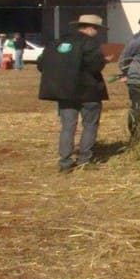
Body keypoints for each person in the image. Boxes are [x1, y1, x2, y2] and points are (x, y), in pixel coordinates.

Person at [37, 14, 109, 172]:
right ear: (91, 28)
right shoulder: (90, 43)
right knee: (89, 125)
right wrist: (104, 60)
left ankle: (65, 161)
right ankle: (84, 159)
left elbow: (41, 64)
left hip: (64, 92)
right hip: (88, 91)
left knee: (67, 127)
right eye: (97, 29)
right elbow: (95, 66)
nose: (97, 32)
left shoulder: (56, 43)